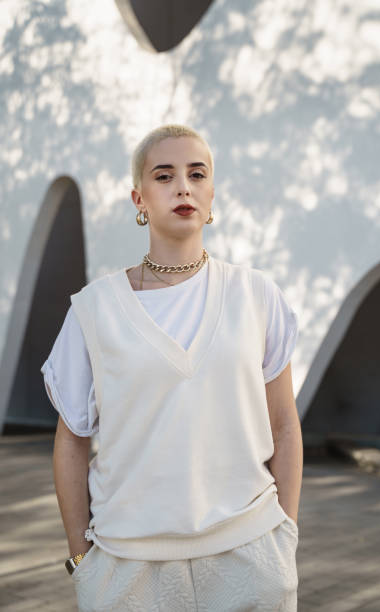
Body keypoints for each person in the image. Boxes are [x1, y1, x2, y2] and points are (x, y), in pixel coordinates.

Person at [41, 124, 303, 611]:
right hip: (128, 568)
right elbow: (71, 441)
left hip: (251, 557)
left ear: (211, 193)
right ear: (138, 198)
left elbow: (285, 425)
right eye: (164, 176)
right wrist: (82, 560)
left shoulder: (256, 295)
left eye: (196, 173)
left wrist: (284, 537)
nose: (183, 186)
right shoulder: (93, 310)